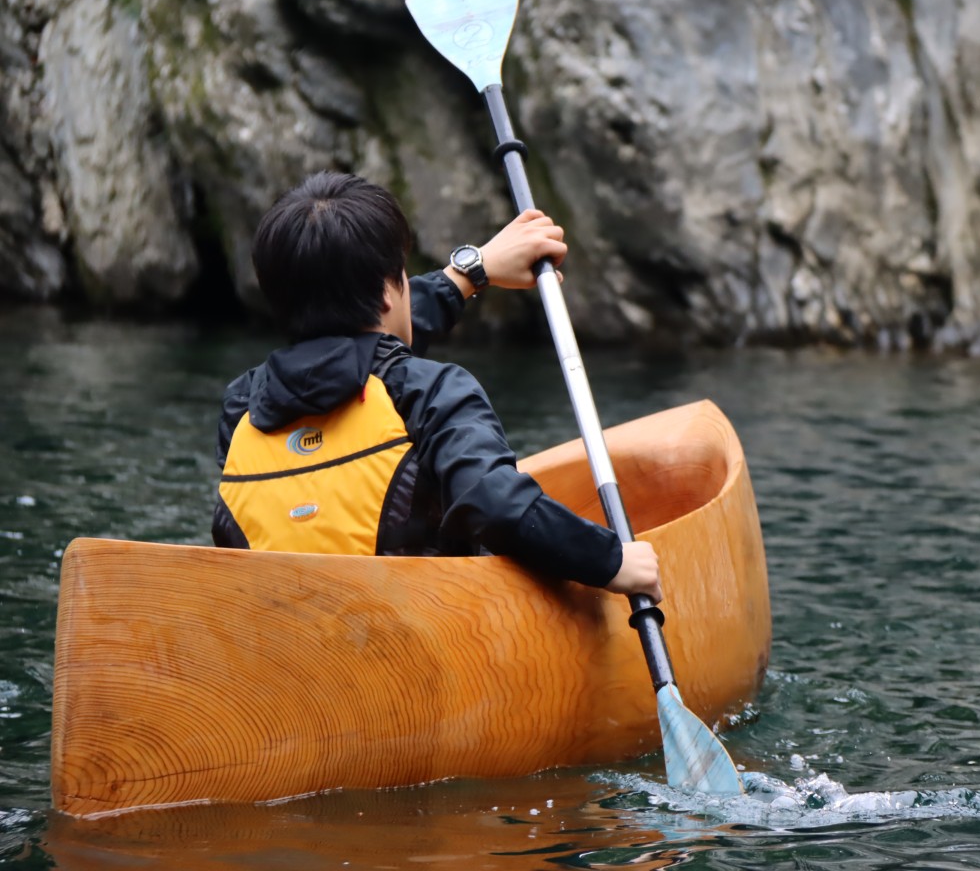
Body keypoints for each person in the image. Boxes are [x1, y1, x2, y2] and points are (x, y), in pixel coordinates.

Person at [211, 171, 661, 601]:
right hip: (414, 645)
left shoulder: (242, 406)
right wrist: (612, 563)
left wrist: (472, 273)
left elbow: (365, 350)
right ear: (391, 291)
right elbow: (497, 507)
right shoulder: (435, 390)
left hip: (279, 646)